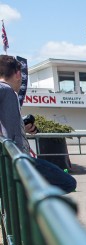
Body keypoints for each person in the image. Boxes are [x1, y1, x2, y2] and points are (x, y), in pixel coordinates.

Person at [0, 55, 76, 193]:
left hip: (13, 161)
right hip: (17, 161)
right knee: (68, 183)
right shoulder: (6, 90)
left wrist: (22, 125)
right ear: (18, 74)